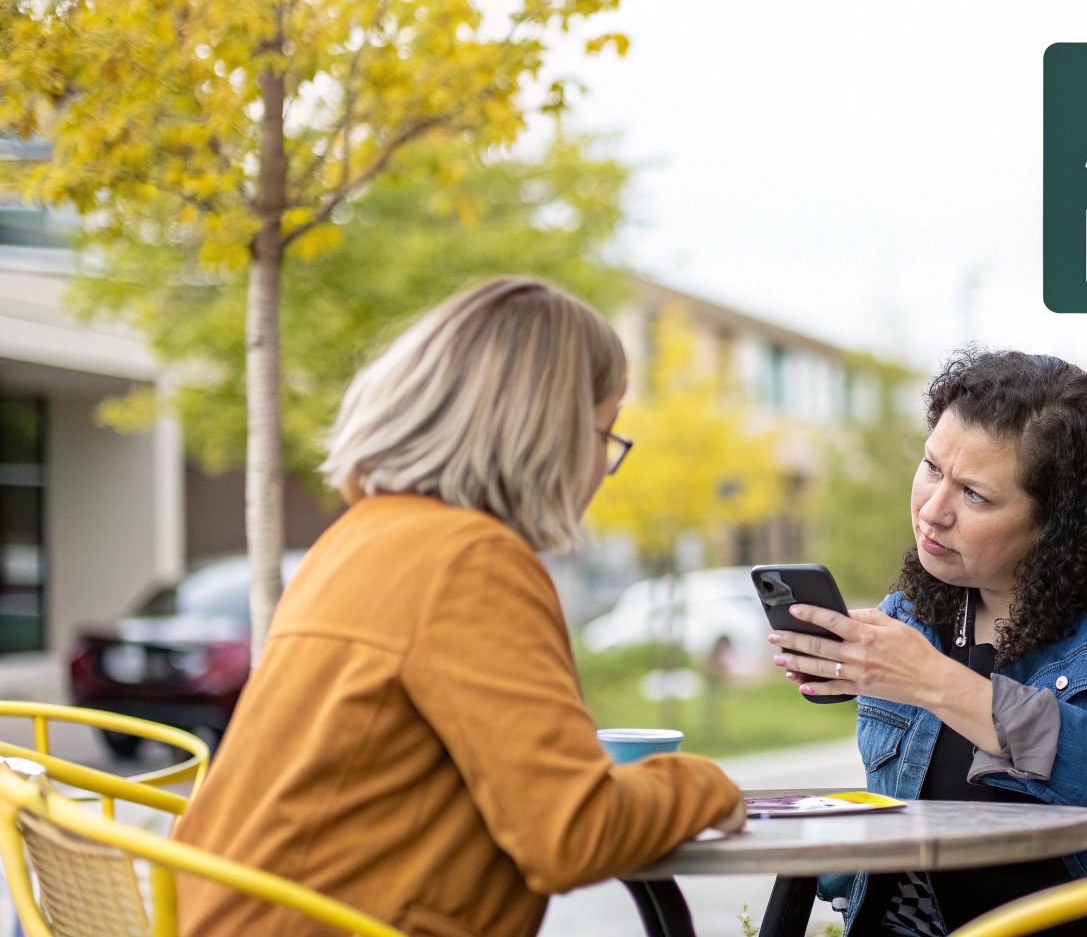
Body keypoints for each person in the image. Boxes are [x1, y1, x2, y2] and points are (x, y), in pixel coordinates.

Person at [173, 278, 745, 937]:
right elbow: (573, 832)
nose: (600, 470)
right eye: (604, 435)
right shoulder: (470, 561)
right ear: (547, 433)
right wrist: (704, 784)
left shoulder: (356, 537)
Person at [771, 350, 1087, 937]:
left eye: (975, 496)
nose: (932, 512)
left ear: (1057, 522)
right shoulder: (920, 607)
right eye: (933, 469)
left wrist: (933, 680)